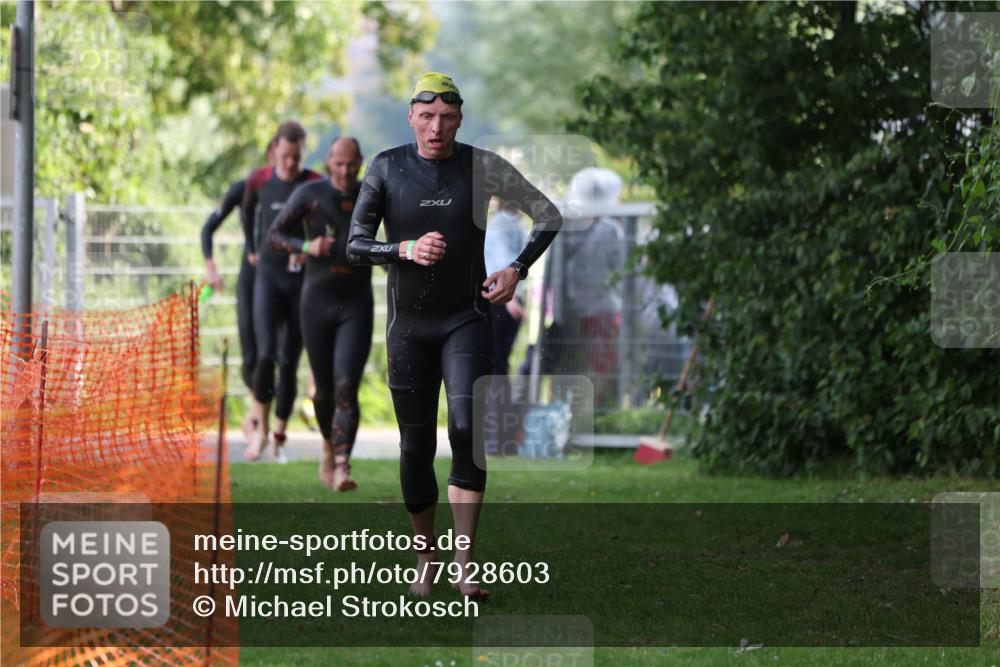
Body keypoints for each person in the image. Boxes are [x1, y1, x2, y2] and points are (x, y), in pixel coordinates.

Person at [347, 72, 562, 599]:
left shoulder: (481, 166)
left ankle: (464, 562)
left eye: (446, 117)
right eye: (426, 117)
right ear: (411, 118)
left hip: (467, 318)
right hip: (410, 328)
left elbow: (549, 215)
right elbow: (354, 244)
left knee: (466, 429)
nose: (436, 128)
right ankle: (427, 558)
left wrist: (517, 268)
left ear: (459, 118)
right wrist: (402, 250)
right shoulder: (387, 167)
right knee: (415, 447)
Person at [269, 137, 372, 491]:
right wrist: (307, 245)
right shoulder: (310, 194)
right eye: (338, 164)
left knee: (347, 386)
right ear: (328, 162)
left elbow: (395, 236)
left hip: (356, 303)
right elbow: (275, 234)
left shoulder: (371, 194)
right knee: (323, 392)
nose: (344, 171)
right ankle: (329, 447)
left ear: (360, 163)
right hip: (317, 301)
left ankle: (342, 465)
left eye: (351, 165)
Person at [241, 121, 322, 461]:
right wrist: (252, 247)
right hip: (269, 279)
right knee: (265, 356)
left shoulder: (315, 183)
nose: (290, 163)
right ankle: (257, 432)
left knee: (289, 362)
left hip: (301, 283)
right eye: (286, 156)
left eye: (297, 156)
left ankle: (279, 435)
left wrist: (312, 247)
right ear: (275, 150)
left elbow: (326, 222)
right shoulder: (259, 179)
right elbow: (246, 210)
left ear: (305, 152)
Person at [201, 138, 277, 438]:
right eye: (281, 156)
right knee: (251, 357)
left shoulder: (302, 190)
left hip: (285, 280)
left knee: (275, 356)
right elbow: (208, 228)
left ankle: (264, 421)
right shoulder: (246, 187)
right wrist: (210, 266)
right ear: (271, 155)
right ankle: (257, 412)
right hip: (251, 277)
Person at [482, 200, 527, 455]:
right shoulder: (507, 224)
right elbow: (504, 263)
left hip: (503, 301)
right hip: (506, 301)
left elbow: (504, 264)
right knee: (499, 367)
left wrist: (512, 301)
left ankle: (497, 438)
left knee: (496, 367)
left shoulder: (503, 223)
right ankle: (499, 437)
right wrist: (514, 301)